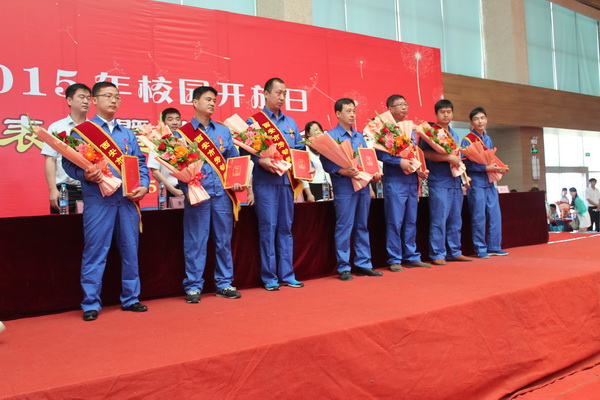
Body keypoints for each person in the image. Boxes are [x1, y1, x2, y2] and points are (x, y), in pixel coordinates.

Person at [62, 81, 149, 321]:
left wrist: (144, 185)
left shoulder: (127, 134)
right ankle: (91, 302)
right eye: (108, 96)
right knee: (95, 251)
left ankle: (131, 298)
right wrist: (84, 175)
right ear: (94, 100)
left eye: (117, 97)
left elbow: (140, 163)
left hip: (127, 200)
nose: (113, 100)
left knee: (130, 249)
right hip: (98, 200)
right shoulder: (83, 132)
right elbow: (68, 164)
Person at [177, 86, 244, 303]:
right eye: (208, 99)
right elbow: (176, 165)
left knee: (223, 240)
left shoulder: (223, 131)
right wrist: (188, 189)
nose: (212, 103)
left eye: (214, 100)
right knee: (196, 241)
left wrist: (238, 181)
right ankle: (193, 286)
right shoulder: (183, 133)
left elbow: (233, 160)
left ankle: (224, 283)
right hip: (198, 194)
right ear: (195, 102)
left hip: (222, 194)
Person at [246, 78, 306, 291]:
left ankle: (288, 274)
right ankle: (270, 276)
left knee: (285, 229)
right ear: (265, 94)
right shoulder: (254, 122)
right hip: (265, 183)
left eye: (285, 93)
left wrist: (305, 168)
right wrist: (259, 160)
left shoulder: (291, 123)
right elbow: (245, 151)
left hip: (286, 183)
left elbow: (299, 150)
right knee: (268, 229)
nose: (282, 97)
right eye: (278, 93)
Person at [321, 98, 384, 280]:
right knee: (344, 226)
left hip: (362, 187)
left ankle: (364, 264)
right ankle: (344, 267)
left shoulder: (359, 137)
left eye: (354, 111)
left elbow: (367, 160)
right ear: (338, 113)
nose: (352, 115)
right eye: (348, 111)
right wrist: (342, 171)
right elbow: (326, 162)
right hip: (344, 187)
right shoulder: (331, 136)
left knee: (362, 226)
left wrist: (374, 173)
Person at [376, 94, 430, 271]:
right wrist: (399, 162)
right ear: (390, 109)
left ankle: (411, 256)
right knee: (395, 221)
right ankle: (394, 259)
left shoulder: (411, 130)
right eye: (400, 105)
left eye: (406, 104)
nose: (404, 107)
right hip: (395, 180)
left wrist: (420, 168)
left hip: (411, 180)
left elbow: (415, 154)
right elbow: (380, 153)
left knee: (411, 220)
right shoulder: (384, 129)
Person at [420, 99, 472, 265]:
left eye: (449, 112)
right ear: (436, 114)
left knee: (456, 218)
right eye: (442, 112)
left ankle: (455, 251)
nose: (446, 115)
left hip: (455, 181)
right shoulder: (430, 133)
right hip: (439, 180)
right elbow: (425, 154)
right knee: (439, 218)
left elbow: (457, 158)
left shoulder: (454, 134)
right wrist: (447, 157)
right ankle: (437, 253)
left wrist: (464, 176)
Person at [461, 107, 509, 258]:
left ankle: (494, 246)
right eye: (476, 119)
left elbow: (490, 159)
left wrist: (498, 168)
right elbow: (466, 164)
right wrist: (485, 168)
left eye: (482, 118)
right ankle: (480, 248)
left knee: (495, 215)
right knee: (479, 216)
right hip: (476, 182)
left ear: (486, 119)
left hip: (489, 182)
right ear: (471, 122)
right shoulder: (467, 140)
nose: (480, 121)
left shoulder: (488, 138)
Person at [41, 83, 90, 213]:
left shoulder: (95, 128)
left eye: (88, 98)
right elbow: (50, 159)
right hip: (65, 190)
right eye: (81, 97)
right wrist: (52, 189)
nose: (86, 101)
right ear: (69, 100)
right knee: (63, 225)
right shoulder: (56, 127)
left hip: (91, 189)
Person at [148, 108, 184, 200]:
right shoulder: (157, 142)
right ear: (163, 123)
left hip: (187, 190)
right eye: (170, 119)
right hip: (168, 191)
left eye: (177, 119)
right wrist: (173, 190)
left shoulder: (186, 142)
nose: (175, 122)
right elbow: (155, 172)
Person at [303, 121, 331, 201]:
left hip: (327, 186)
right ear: (308, 134)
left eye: (320, 129)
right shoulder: (305, 149)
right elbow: (303, 175)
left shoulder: (326, 149)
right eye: (315, 130)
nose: (318, 132)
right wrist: (309, 194)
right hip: (313, 186)